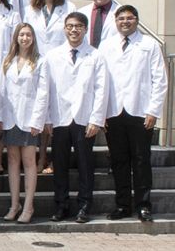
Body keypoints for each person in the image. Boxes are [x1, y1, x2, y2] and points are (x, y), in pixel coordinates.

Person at [99, 5, 165, 222]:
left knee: (141, 160)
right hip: (113, 111)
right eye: (121, 18)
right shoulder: (106, 45)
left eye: (129, 18)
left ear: (136, 20)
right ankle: (123, 205)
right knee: (118, 161)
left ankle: (144, 205)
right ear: (115, 21)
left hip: (140, 111)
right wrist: (101, 113)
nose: (125, 22)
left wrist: (153, 110)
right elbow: (100, 81)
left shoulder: (149, 45)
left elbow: (160, 80)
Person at [43, 12, 107, 223]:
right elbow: (47, 89)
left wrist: (96, 119)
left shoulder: (95, 56)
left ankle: (84, 206)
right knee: (59, 163)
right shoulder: (53, 55)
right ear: (64, 28)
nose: (74, 30)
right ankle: (61, 205)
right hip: (60, 117)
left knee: (85, 164)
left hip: (84, 117)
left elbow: (101, 89)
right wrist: (47, 118)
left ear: (85, 29)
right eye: (70, 26)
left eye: (78, 26)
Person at [0, 23, 50, 224]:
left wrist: (38, 119)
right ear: (16, 38)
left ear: (33, 38)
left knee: (29, 162)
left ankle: (28, 205)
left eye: (28, 35)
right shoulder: (8, 60)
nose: (24, 38)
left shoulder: (40, 62)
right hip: (10, 118)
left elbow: (43, 93)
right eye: (21, 34)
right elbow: (1, 91)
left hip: (29, 119)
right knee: (12, 161)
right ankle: (14, 204)